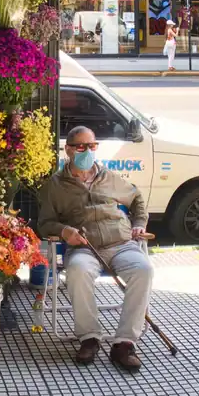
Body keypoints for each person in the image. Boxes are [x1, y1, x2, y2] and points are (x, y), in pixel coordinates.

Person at [39, 125, 153, 371]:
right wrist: (64, 231)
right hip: (85, 248)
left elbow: (137, 198)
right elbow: (44, 223)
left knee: (143, 270)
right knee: (78, 270)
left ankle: (124, 343)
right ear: (68, 150)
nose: (87, 151)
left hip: (122, 244)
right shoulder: (56, 185)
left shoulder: (108, 177)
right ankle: (89, 337)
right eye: (81, 146)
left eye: (92, 146)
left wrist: (139, 223)